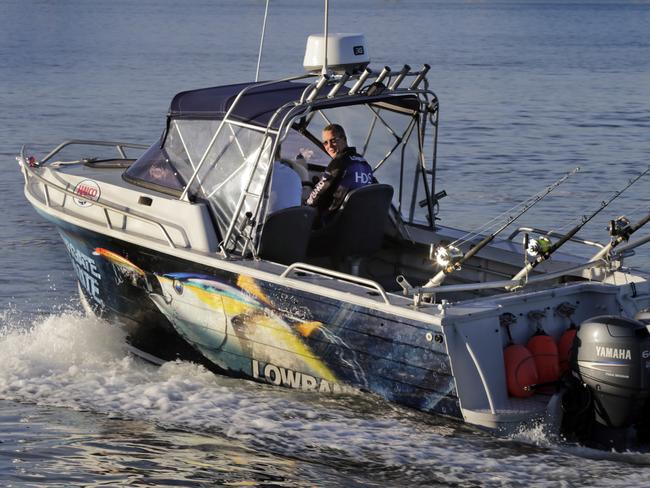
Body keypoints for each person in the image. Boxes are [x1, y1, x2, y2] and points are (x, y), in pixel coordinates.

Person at [306, 124, 373, 224]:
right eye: (325, 143)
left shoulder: (339, 162)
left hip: (336, 224)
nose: (329, 146)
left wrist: (305, 204)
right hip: (361, 221)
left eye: (333, 140)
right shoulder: (363, 162)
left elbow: (318, 194)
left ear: (344, 139)